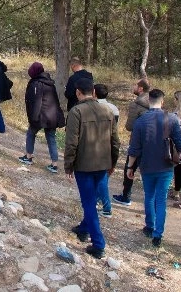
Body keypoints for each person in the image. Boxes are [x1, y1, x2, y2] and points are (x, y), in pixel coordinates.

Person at [65, 79, 119, 259]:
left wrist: (68, 165)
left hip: (84, 165)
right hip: (103, 163)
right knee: (92, 200)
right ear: (94, 91)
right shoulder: (108, 110)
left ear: (78, 92)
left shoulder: (76, 111)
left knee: (88, 203)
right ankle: (83, 228)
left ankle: (98, 244)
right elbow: (115, 141)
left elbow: (71, 142)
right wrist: (113, 162)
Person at [125, 89, 181, 247]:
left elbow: (134, 148)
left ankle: (149, 226)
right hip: (166, 166)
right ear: (162, 101)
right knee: (161, 199)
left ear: (148, 101)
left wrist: (130, 167)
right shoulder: (172, 119)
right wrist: (173, 151)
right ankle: (158, 235)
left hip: (146, 165)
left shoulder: (141, 121)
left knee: (149, 196)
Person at [18, 62, 65, 173]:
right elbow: (55, 101)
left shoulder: (36, 84)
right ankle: (54, 165)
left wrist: (33, 119)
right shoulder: (49, 83)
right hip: (52, 116)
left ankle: (28, 157)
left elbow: (36, 102)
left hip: (40, 116)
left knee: (31, 133)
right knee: (51, 139)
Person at [112, 78, 151, 206]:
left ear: (140, 88)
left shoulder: (136, 105)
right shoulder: (154, 102)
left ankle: (126, 196)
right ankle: (150, 201)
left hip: (137, 142)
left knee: (129, 168)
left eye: (135, 85)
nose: (133, 87)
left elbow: (129, 126)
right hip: (152, 143)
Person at [94, 83, 119, 217]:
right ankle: (98, 200)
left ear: (94, 93)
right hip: (108, 145)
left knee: (100, 178)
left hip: (95, 145)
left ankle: (105, 205)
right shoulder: (114, 108)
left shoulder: (92, 108)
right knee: (103, 177)